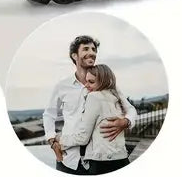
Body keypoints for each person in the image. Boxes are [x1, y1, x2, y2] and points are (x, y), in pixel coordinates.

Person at [42, 35, 136, 174]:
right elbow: (49, 115)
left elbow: (130, 109)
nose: (92, 52)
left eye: (94, 49)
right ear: (74, 55)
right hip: (69, 159)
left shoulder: (108, 85)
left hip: (99, 160)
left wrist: (126, 122)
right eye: (86, 49)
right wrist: (52, 141)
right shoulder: (62, 86)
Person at [57, 65, 131, 173]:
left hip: (102, 163)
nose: (86, 85)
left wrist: (61, 140)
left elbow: (83, 138)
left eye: (91, 82)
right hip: (122, 159)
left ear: (103, 82)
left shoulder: (94, 97)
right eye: (86, 81)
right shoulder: (115, 97)